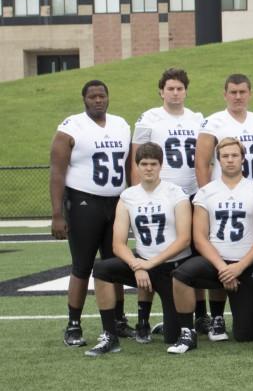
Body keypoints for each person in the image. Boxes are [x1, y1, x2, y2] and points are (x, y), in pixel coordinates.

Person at [86, 143, 193, 356]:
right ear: (136, 166)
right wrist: (137, 266)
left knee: (172, 337)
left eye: (153, 164)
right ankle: (110, 334)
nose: (149, 168)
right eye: (144, 164)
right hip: (143, 263)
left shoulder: (176, 193)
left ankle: (172, 324)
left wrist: (149, 264)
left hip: (172, 269)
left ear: (161, 166)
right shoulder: (128, 196)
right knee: (101, 270)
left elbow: (184, 239)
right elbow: (118, 244)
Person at [50, 80, 132, 348]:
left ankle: (118, 319)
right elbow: (57, 172)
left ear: (108, 97)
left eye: (102, 95)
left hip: (116, 203)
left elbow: (129, 166)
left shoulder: (121, 124)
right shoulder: (70, 126)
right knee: (82, 266)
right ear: (84, 99)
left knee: (115, 265)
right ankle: (73, 323)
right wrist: (57, 214)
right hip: (84, 201)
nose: (98, 100)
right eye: (93, 96)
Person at [131, 68, 207, 333]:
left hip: (192, 192)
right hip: (159, 195)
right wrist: (137, 195)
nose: (175, 93)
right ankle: (142, 318)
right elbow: (135, 158)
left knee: (195, 255)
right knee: (151, 252)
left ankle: (202, 315)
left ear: (186, 91)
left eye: (180, 88)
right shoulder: (149, 118)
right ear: (161, 91)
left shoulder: (198, 118)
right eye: (170, 88)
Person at [172, 137, 253, 343]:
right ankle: (199, 325)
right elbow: (199, 237)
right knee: (181, 274)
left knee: (245, 336)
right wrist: (223, 267)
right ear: (217, 161)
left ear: (243, 158)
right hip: (214, 262)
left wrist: (239, 266)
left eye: (235, 155)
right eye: (225, 156)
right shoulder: (206, 192)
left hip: (245, 262)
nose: (230, 160)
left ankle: (248, 316)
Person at [195, 73, 253, 188]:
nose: (238, 97)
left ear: (250, 94)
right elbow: (201, 165)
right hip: (224, 191)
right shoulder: (212, 123)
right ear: (225, 95)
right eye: (233, 92)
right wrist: (205, 195)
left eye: (242, 92)